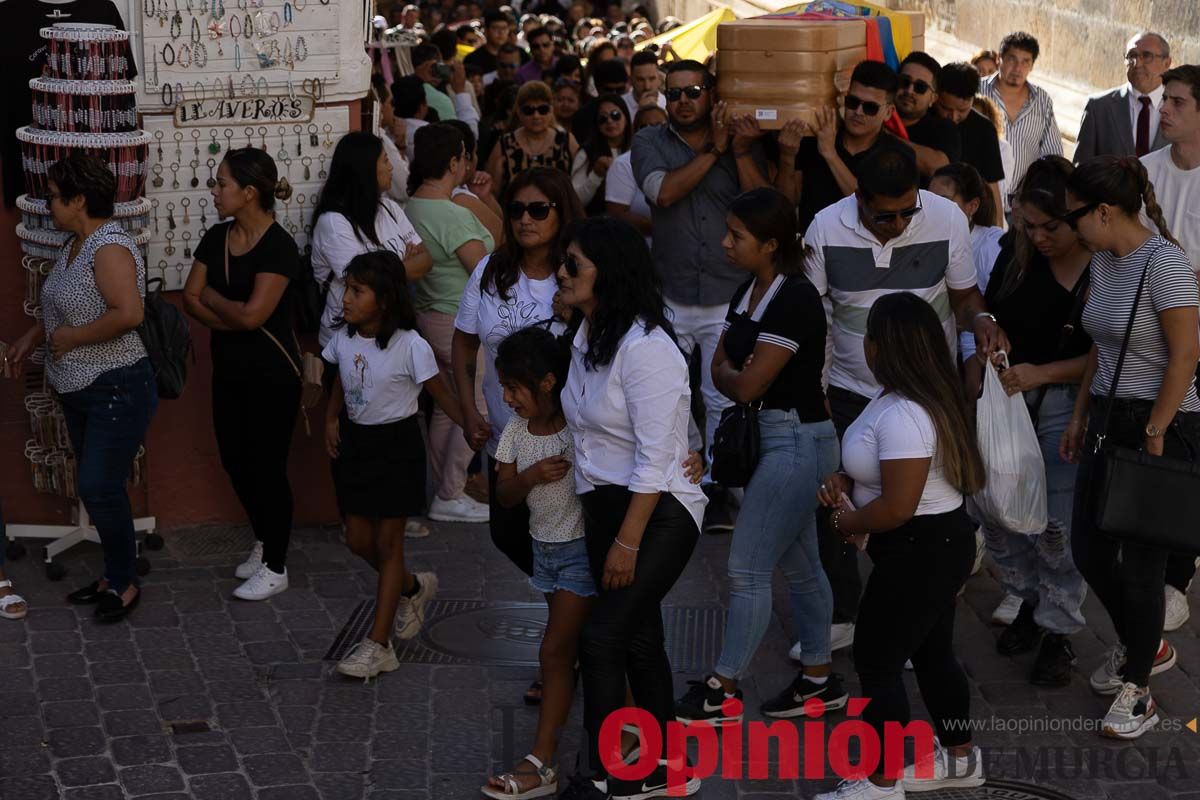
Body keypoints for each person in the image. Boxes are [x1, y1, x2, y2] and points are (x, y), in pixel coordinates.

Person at [803, 141, 1008, 654]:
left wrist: (981, 322)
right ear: (858, 197)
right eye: (882, 216)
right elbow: (814, 315)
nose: (896, 226)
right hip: (849, 390)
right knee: (836, 498)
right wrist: (816, 386)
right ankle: (845, 611)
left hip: (927, 395)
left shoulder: (944, 219)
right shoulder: (826, 228)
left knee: (921, 511)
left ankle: (922, 621)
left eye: (905, 213)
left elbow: (964, 297)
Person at [674, 188, 846, 727]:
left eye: (737, 236)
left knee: (747, 567)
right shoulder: (750, 290)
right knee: (801, 564)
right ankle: (819, 680)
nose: (725, 243)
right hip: (782, 438)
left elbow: (740, 380)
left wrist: (729, 375)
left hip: (796, 441)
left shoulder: (793, 298)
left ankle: (722, 690)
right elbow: (727, 367)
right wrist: (731, 374)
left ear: (770, 244)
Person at [556, 217, 706, 800]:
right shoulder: (587, 337)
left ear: (609, 275)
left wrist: (627, 540)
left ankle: (606, 772)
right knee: (640, 640)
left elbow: (653, 457)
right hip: (607, 506)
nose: (561, 274)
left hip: (656, 512)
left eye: (574, 265)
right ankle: (670, 765)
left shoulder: (647, 348)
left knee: (600, 640)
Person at [815, 292, 986, 800]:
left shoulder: (906, 414)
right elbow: (883, 476)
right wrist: (846, 479)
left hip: (922, 548)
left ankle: (881, 782)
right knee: (932, 653)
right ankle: (959, 761)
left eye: (868, 335)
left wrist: (847, 523)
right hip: (928, 545)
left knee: (876, 659)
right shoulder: (900, 399)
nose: (862, 344)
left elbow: (898, 507)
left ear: (880, 347)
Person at [1060, 156, 1198, 739]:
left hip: (1159, 425)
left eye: (1074, 216)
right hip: (1108, 418)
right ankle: (1142, 642)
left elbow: (1186, 356)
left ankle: (1138, 685)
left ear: (1105, 211)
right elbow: (1101, 344)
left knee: (1141, 566)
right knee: (1088, 549)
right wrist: (1081, 411)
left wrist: (1156, 430)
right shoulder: (1103, 261)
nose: (1069, 228)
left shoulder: (1165, 264)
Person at [7, 152, 156, 622]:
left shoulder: (109, 246)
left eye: (53, 196)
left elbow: (129, 313)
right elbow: (61, 305)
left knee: (99, 485)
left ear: (78, 199)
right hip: (78, 385)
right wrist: (36, 335)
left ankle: (125, 582)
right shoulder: (74, 244)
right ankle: (113, 574)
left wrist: (70, 337)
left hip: (115, 384)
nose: (47, 203)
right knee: (97, 488)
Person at [631, 58, 775, 532]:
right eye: (674, 94)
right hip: (668, 294)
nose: (684, 101)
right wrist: (714, 151)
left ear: (711, 93)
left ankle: (717, 486)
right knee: (669, 394)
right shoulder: (649, 140)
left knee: (720, 399)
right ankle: (675, 477)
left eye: (693, 91)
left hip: (725, 294)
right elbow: (663, 193)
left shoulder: (741, 144)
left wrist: (740, 152)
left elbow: (763, 208)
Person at [977, 157, 1093, 687]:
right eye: (1029, 225)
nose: (1040, 237)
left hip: (1067, 407)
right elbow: (991, 307)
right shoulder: (1016, 251)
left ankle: (1058, 630)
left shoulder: (1104, 267)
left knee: (1057, 529)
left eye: (1052, 227)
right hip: (1007, 401)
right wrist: (989, 328)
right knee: (1001, 513)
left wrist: (1042, 372)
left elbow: (1107, 355)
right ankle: (1030, 603)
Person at [324, 251, 458, 679]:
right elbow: (342, 380)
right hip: (357, 445)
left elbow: (441, 393)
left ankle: (377, 645)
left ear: (383, 300)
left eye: (357, 291)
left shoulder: (411, 345)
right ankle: (413, 587)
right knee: (357, 540)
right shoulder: (344, 337)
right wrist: (330, 418)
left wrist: (475, 426)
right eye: (347, 288)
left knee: (388, 545)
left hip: (397, 447)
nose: (346, 297)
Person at [453, 168, 585, 576]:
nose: (525, 219)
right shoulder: (491, 270)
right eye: (516, 209)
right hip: (505, 434)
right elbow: (463, 343)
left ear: (561, 213)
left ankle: (573, 618)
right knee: (508, 533)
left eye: (538, 209)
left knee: (564, 538)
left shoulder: (579, 274)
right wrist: (469, 412)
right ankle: (569, 609)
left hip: (568, 438)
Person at [182, 148, 300, 602]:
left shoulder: (279, 247)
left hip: (273, 376)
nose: (214, 191)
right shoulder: (217, 238)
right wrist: (226, 312)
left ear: (249, 193)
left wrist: (215, 300)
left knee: (267, 467)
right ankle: (264, 538)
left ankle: (277, 564)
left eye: (222, 184)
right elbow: (192, 298)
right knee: (235, 459)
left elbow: (254, 318)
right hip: (230, 368)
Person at [482, 326, 593, 799]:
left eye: (513, 387)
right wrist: (531, 476)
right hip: (543, 553)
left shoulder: (578, 426)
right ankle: (638, 733)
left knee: (554, 652)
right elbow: (504, 495)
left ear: (548, 383)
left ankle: (541, 760)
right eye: (503, 387)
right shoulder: (514, 433)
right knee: (582, 647)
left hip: (580, 554)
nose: (506, 397)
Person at [406, 123, 496, 524]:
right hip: (458, 319)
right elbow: (482, 270)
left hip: (429, 315)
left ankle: (445, 490)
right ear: (454, 161)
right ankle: (449, 492)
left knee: (448, 407)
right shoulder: (450, 213)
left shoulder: (411, 206)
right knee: (476, 404)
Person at [1141, 65, 1200, 631]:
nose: (1165, 110)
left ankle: (1179, 571)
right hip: (1150, 340)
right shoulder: (1144, 174)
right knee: (1163, 447)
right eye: (1165, 101)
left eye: (1178, 103)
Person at [311, 132, 431, 348]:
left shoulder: (390, 208)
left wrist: (386, 273)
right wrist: (401, 268)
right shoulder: (333, 223)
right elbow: (364, 281)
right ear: (365, 168)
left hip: (392, 333)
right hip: (347, 341)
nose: (391, 168)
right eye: (385, 160)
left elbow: (426, 259)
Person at [782, 60, 898, 233]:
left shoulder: (896, 155)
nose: (858, 112)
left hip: (864, 253)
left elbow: (872, 209)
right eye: (852, 101)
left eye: (870, 108)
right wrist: (786, 157)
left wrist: (830, 155)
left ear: (888, 112)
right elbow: (787, 202)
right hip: (814, 252)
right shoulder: (815, 139)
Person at [929, 162, 1004, 368]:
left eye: (943, 202)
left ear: (972, 206)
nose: (931, 210)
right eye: (927, 201)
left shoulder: (992, 246)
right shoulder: (922, 241)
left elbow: (993, 313)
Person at [979, 32, 1063, 201]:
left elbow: (1052, 156)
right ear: (999, 59)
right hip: (981, 196)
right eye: (1012, 59)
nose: (1018, 69)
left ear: (1032, 66)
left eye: (1026, 61)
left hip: (1022, 201)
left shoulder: (1042, 100)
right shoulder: (977, 90)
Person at [1075, 33, 1172, 161]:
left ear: (1167, 63)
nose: (1137, 64)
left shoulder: (1184, 108)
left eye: (1147, 56)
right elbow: (1082, 166)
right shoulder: (1099, 107)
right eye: (1132, 56)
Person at [934, 62, 1007, 225]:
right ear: (936, 96)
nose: (953, 117)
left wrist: (996, 233)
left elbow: (992, 188)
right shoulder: (927, 118)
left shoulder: (984, 129)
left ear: (973, 100)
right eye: (946, 108)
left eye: (962, 111)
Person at [486, 81, 581, 195]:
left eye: (543, 110)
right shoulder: (504, 145)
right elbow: (492, 191)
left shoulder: (567, 141)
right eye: (529, 110)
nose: (536, 116)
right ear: (519, 112)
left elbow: (579, 187)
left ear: (551, 110)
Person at [606, 103, 667, 247]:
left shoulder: (680, 158)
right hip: (640, 250)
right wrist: (668, 229)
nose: (652, 131)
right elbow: (617, 215)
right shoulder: (623, 164)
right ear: (635, 132)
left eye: (659, 125)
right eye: (644, 127)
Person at [895, 52, 962, 182]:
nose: (909, 90)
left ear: (933, 98)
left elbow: (937, 168)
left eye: (920, 87)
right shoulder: (875, 114)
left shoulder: (944, 129)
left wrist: (883, 138)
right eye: (904, 81)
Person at [573, 93, 631, 213]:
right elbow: (575, 200)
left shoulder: (638, 148)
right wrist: (596, 175)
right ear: (596, 124)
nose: (609, 121)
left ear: (626, 117)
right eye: (603, 118)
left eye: (615, 115)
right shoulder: (586, 153)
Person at [411, 43, 480, 135]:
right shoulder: (441, 99)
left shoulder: (401, 89)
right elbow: (470, 135)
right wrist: (460, 91)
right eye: (440, 66)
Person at [574, 57, 629, 143]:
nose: (615, 95)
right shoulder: (583, 116)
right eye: (609, 90)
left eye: (620, 90)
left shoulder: (635, 107)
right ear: (597, 87)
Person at [624, 49, 666, 118]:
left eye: (652, 79)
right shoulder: (619, 107)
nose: (647, 86)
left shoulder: (669, 105)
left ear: (659, 78)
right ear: (631, 80)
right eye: (640, 80)